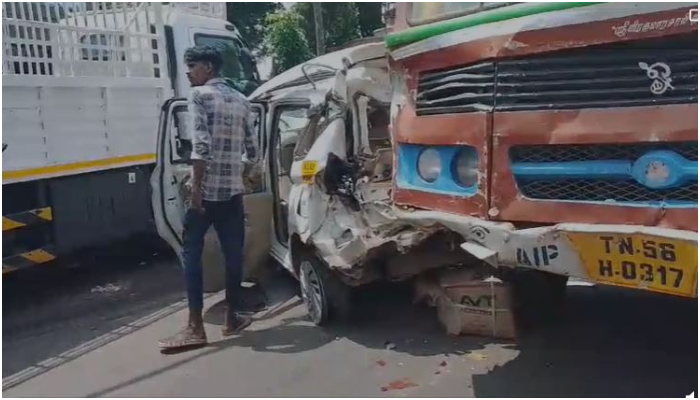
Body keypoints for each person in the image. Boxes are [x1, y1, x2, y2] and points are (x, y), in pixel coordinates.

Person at [159, 45, 258, 349]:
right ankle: (231, 319)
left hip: (206, 194)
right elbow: (253, 153)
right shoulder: (244, 102)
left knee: (192, 255)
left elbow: (200, 147)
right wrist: (238, 179)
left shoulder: (199, 96)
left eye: (192, 66)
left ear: (208, 69)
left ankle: (195, 328)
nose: (188, 72)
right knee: (233, 255)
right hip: (232, 195)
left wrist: (197, 192)